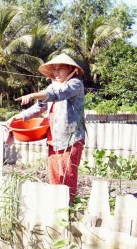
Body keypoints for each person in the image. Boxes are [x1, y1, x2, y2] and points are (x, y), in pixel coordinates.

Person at [7, 53, 86, 204]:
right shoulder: (52, 86)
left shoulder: (75, 84)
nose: (56, 73)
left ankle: (67, 208)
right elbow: (39, 107)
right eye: (54, 70)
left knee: (67, 175)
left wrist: (33, 94)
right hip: (53, 139)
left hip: (71, 138)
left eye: (60, 69)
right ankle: (55, 206)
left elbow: (58, 94)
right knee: (55, 175)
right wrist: (17, 117)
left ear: (71, 69)